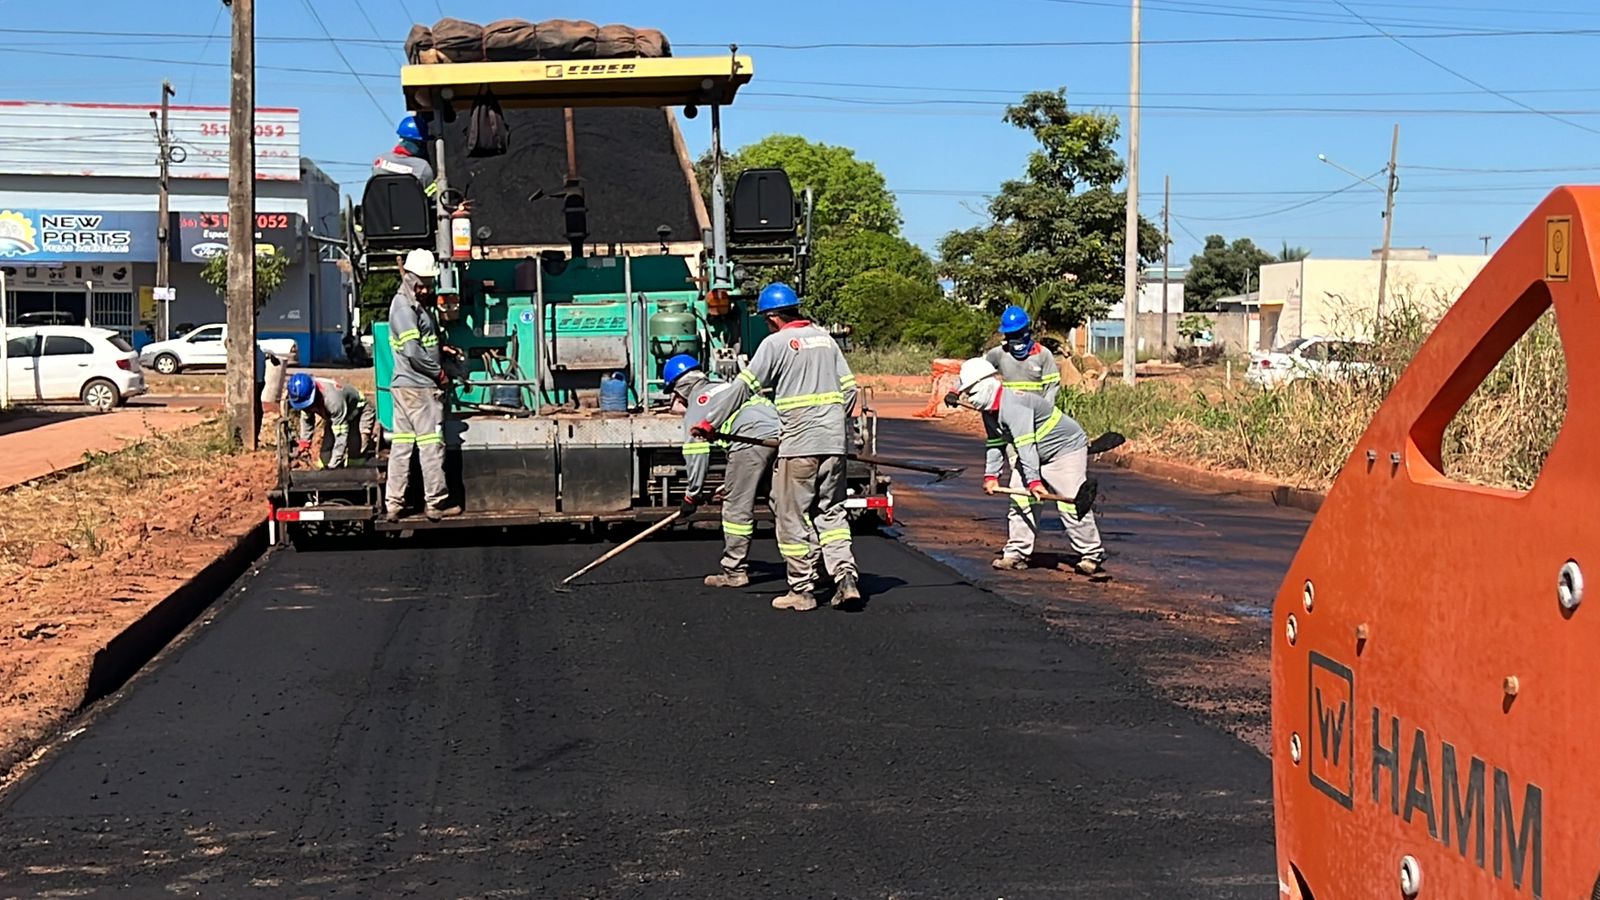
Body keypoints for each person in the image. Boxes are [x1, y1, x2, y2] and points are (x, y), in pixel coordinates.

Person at [717, 283, 861, 611]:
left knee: (791, 516)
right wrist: (834, 427)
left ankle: (801, 589)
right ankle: (845, 576)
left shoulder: (776, 343)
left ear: (773, 317)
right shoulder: (826, 339)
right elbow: (850, 391)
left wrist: (711, 422)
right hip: (834, 444)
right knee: (832, 512)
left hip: (799, 446)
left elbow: (745, 388)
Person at [954, 356, 1105, 576]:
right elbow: (996, 443)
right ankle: (1016, 553)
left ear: (988, 384)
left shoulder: (1015, 404)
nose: (970, 399)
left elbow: (1025, 447)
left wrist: (1034, 481)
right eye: (967, 394)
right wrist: (991, 476)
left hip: (1064, 450)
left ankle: (1091, 554)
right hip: (1035, 454)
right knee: (1021, 500)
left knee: (1071, 501)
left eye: (972, 393)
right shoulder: (989, 411)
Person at [666, 353, 781, 588]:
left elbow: (697, 454)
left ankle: (734, 570)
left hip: (750, 441)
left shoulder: (697, 405)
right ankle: (812, 566)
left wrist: (692, 495)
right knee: (784, 505)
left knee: (736, 508)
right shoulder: (728, 386)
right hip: (781, 437)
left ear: (679, 388)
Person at [385, 248, 460, 522]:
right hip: (418, 389)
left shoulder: (412, 304)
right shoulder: (404, 307)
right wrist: (439, 373)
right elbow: (414, 352)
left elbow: (423, 344)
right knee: (430, 445)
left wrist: (442, 349)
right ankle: (435, 503)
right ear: (416, 281)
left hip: (406, 389)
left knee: (402, 446)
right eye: (427, 284)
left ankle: (394, 505)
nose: (429, 289)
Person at [288, 373, 376, 470]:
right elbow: (306, 419)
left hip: (360, 411)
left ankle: (355, 475)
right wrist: (304, 441)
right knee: (326, 454)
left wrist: (332, 466)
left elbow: (341, 437)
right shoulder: (307, 397)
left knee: (356, 449)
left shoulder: (332, 401)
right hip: (337, 416)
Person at [984, 305, 1063, 406]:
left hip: (1035, 412)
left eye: (1019, 333)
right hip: (1008, 412)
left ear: (1027, 330)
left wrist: (1045, 410)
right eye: (1011, 335)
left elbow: (1052, 387)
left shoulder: (1043, 354)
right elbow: (980, 378)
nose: (1016, 339)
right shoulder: (997, 354)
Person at [372, 115, 438, 200]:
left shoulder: (379, 161)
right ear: (419, 144)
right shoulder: (423, 167)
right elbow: (432, 197)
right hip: (413, 212)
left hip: (381, 212)